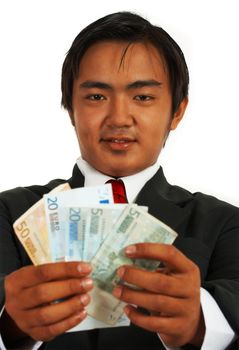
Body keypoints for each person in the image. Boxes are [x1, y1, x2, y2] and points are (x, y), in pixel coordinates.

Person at [0, 11, 238, 350]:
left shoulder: (227, 224)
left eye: (142, 97)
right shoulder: (9, 212)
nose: (119, 118)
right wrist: (8, 322)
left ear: (177, 111)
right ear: (71, 109)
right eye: (96, 96)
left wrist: (201, 323)